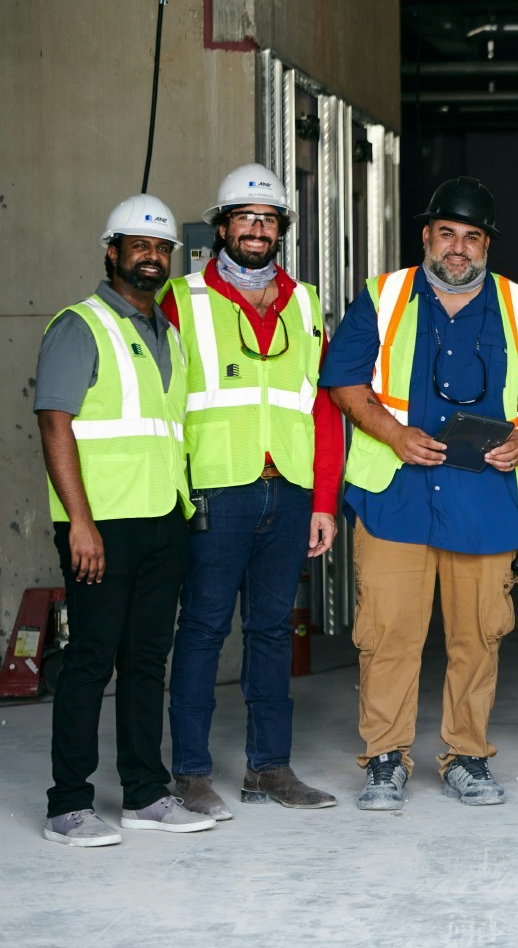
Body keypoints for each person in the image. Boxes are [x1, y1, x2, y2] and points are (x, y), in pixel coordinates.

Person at [322, 177, 518, 811]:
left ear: (487, 245)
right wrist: (393, 433)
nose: (459, 249)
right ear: (426, 235)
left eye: (472, 237)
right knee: (388, 634)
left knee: (478, 637)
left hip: (485, 504)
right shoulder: (384, 297)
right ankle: (385, 758)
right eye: (448, 234)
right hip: (395, 498)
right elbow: (342, 380)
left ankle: (467, 755)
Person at [161, 164, 343, 819]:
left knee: (271, 632)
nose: (258, 229)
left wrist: (324, 501)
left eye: (269, 219)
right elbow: (165, 402)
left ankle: (270, 769)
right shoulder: (182, 301)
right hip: (216, 490)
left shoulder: (304, 302)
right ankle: (188, 774)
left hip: (287, 491)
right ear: (222, 228)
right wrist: (173, 495)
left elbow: (323, 409)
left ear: (281, 230)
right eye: (245, 217)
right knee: (204, 631)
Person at [35, 195, 216, 845]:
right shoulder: (80, 325)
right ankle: (68, 805)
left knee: (147, 660)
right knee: (90, 660)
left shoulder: (166, 333)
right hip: (102, 526)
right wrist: (78, 522)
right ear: (111, 251)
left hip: (164, 519)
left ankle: (144, 794)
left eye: (161, 248)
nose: (152, 256)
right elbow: (55, 421)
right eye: (138, 245)